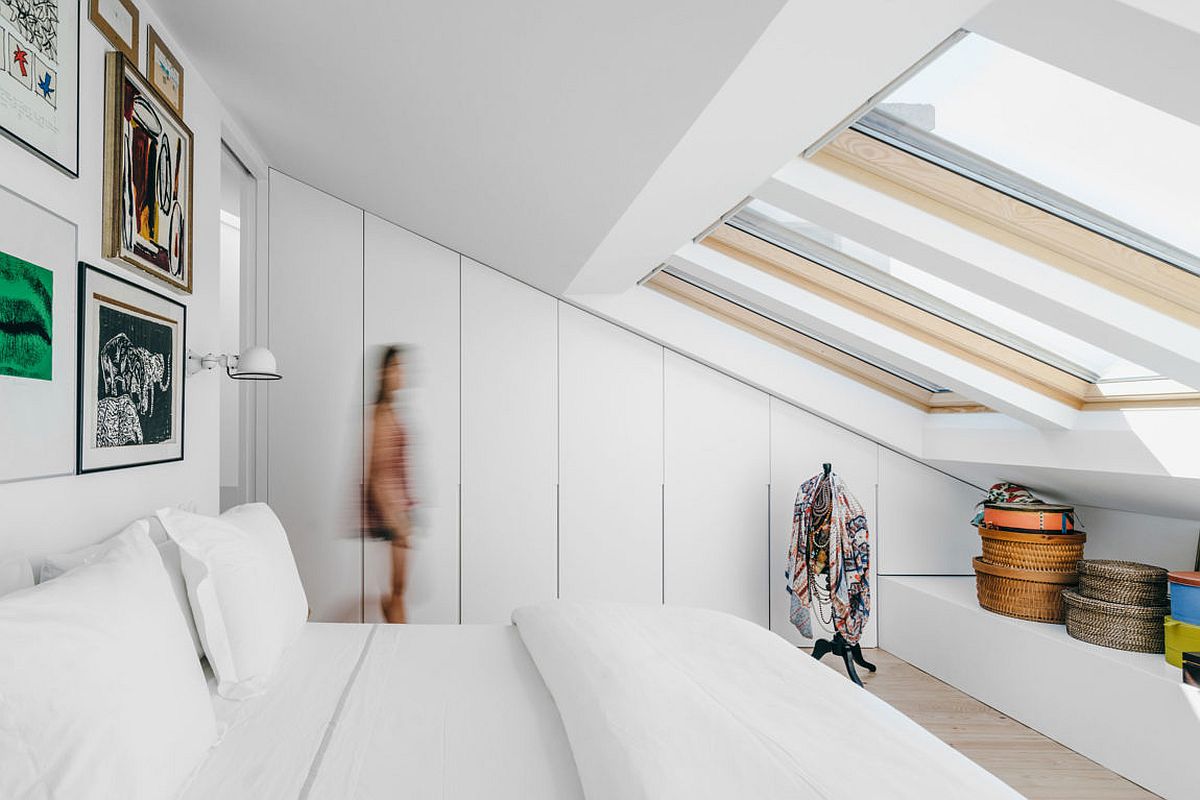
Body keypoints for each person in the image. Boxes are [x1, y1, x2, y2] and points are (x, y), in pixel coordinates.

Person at [365, 346, 414, 623]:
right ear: (383, 373)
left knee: (393, 593)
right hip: (390, 517)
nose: (400, 374)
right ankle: (404, 651)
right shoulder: (382, 414)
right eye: (395, 368)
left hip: (397, 513)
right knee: (396, 593)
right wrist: (397, 522)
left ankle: (396, 643)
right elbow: (378, 474)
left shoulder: (389, 411)